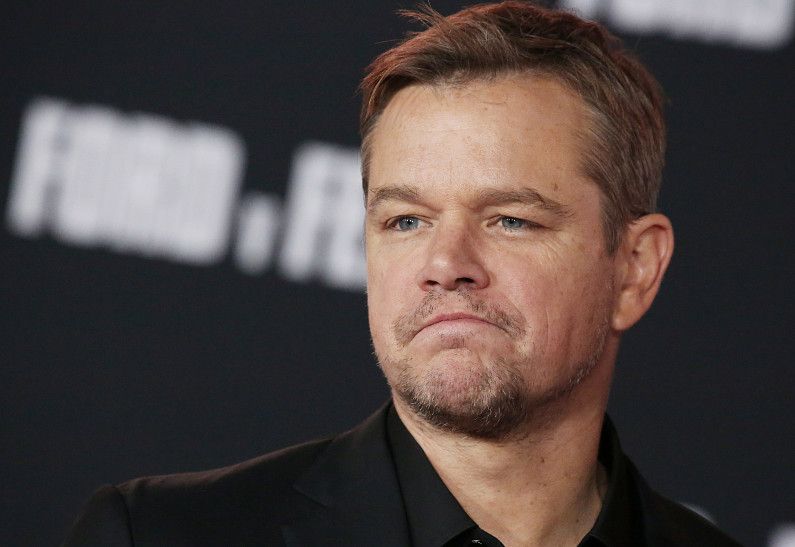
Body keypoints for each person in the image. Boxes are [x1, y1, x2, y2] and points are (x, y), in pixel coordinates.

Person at [64, 2, 740, 545]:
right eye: (406, 220)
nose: (445, 266)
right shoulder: (159, 536)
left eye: (510, 220)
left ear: (634, 269)